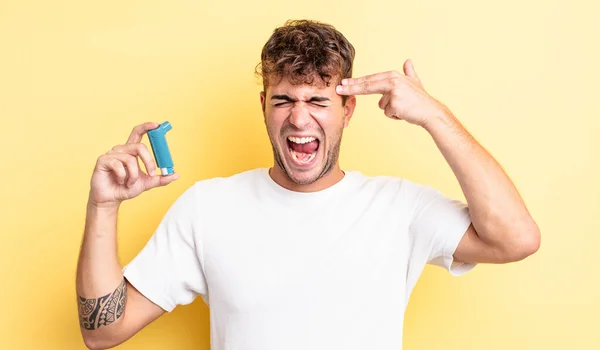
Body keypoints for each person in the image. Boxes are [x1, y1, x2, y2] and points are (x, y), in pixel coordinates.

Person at [76, 19, 540, 350]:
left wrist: (434, 116)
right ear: (263, 106)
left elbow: (516, 239)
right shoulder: (208, 208)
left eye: (319, 99)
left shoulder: (399, 207)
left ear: (349, 110)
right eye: (283, 100)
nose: (299, 118)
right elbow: (102, 331)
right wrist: (104, 206)